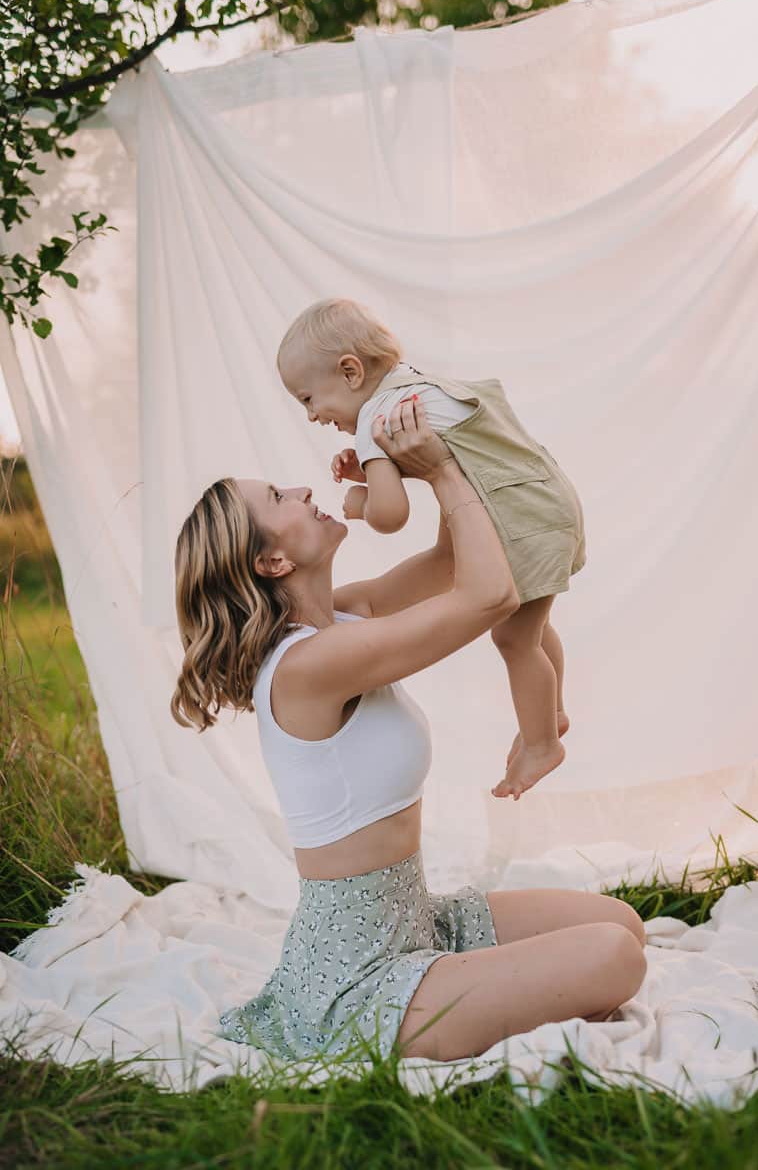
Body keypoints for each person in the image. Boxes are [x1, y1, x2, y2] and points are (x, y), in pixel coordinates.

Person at [171, 396, 645, 1064]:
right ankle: (433, 1007)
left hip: (414, 920)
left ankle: (482, 994)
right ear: (272, 562)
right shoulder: (310, 666)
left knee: (622, 925)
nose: (305, 488)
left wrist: (421, 462)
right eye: (280, 496)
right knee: (612, 958)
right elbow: (489, 597)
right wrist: (445, 473)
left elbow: (461, 557)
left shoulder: (341, 619)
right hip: (358, 974)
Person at [276, 298, 586, 801]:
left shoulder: (375, 416)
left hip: (522, 517)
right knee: (532, 624)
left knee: (514, 640)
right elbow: (448, 459)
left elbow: (390, 516)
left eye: (309, 398)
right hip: (543, 502)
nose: (312, 416)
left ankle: (541, 742)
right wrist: (378, 470)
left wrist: (358, 500)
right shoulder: (414, 387)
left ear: (350, 372)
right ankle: (549, 712)